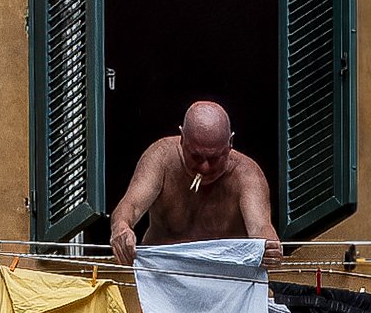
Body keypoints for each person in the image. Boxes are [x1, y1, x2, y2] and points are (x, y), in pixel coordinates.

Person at [109, 101, 284, 267]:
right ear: (182, 138)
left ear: (230, 143)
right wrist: (121, 228)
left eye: (214, 158)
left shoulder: (247, 175)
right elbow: (131, 205)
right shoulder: (161, 157)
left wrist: (269, 247)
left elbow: (260, 228)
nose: (205, 167)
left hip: (223, 277)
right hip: (158, 271)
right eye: (196, 157)